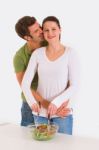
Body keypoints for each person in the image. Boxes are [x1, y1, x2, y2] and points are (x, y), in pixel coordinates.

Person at [21, 16, 80, 134]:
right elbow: (25, 83)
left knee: (62, 146)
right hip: (40, 114)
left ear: (60, 30)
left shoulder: (70, 53)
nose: (50, 33)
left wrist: (56, 103)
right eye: (46, 30)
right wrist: (32, 102)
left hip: (62, 113)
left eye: (53, 29)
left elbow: (74, 85)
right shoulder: (37, 54)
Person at [13, 16, 68, 127]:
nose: (42, 31)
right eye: (37, 31)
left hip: (53, 100)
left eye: (39, 27)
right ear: (27, 37)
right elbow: (25, 86)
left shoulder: (50, 42)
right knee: (29, 139)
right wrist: (47, 105)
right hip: (32, 103)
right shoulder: (19, 57)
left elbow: (64, 70)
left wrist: (64, 99)